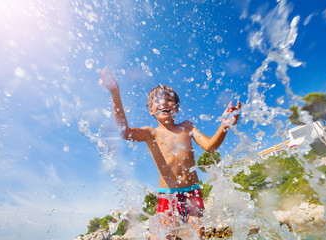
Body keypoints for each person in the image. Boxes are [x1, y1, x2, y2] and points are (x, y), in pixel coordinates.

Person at [99, 67, 241, 239]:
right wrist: (115, 94)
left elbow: (210, 147)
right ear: (151, 110)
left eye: (168, 100)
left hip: (192, 193)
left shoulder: (187, 127)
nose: (164, 103)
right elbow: (124, 132)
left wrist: (223, 127)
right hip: (168, 195)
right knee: (159, 235)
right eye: (158, 101)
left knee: (196, 235)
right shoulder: (150, 133)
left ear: (177, 108)